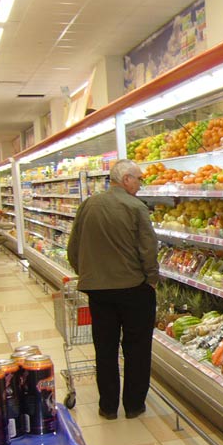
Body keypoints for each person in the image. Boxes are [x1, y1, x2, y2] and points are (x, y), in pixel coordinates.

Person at [67, 159, 158, 420]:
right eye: (139, 179)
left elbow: (74, 247)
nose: (140, 184)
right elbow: (148, 249)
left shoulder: (88, 205)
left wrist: (87, 273)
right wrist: (151, 278)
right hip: (133, 288)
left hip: (98, 291)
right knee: (137, 347)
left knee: (104, 348)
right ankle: (134, 405)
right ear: (126, 179)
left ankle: (108, 406)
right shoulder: (136, 207)